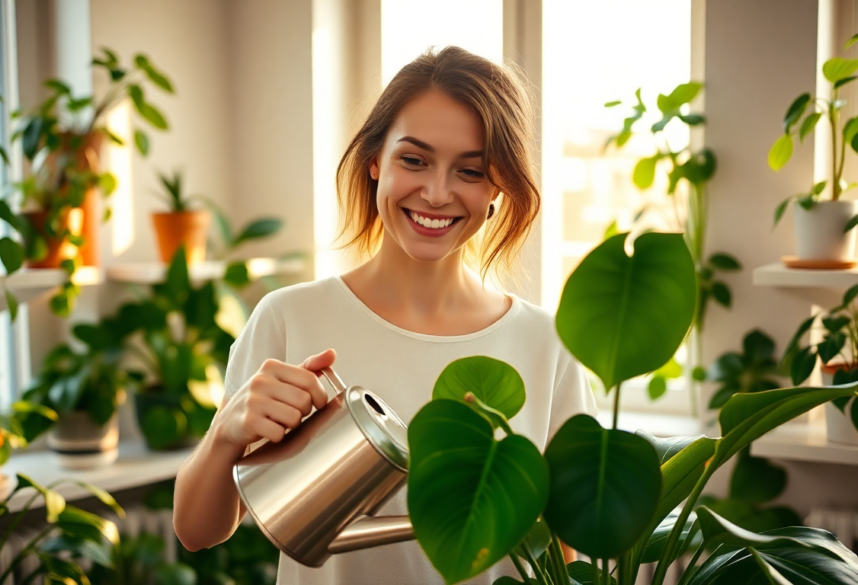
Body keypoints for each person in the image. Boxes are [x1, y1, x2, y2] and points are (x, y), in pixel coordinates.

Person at [173, 46, 597, 585]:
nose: (437, 193)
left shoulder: (545, 344)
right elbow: (197, 530)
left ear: (498, 188)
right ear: (376, 160)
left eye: (470, 170)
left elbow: (567, 556)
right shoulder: (289, 316)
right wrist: (225, 435)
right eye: (414, 160)